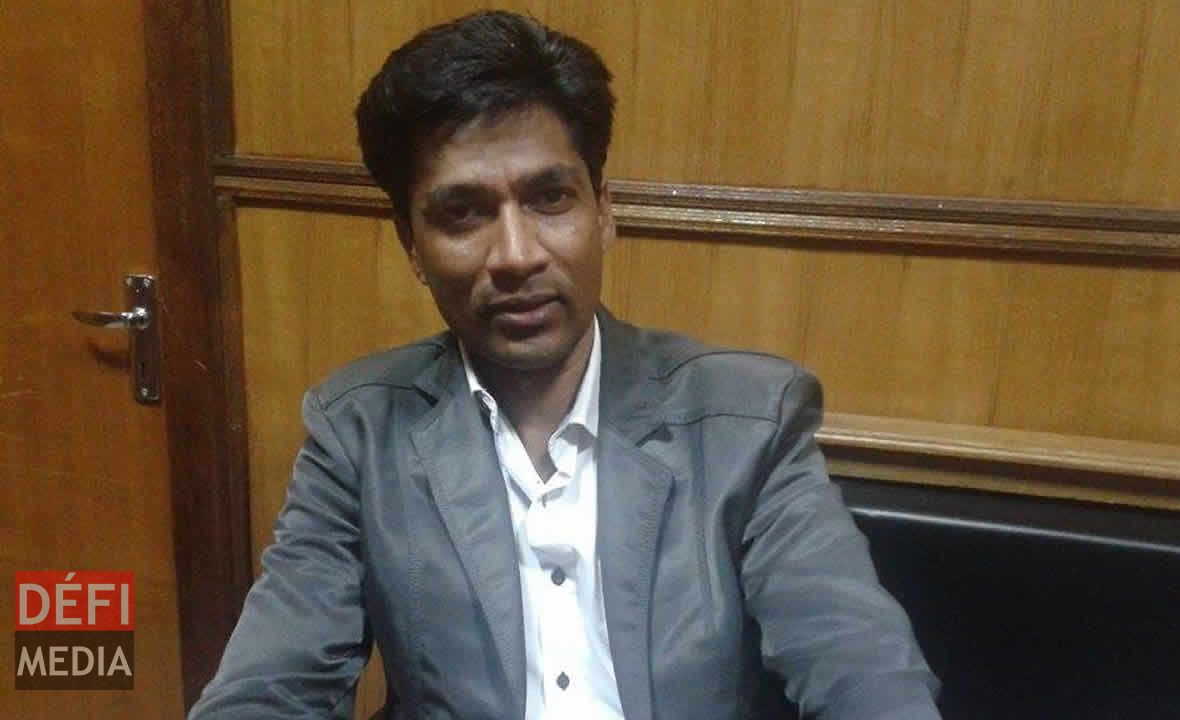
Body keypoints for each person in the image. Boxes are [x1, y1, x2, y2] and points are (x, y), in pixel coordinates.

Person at [190, 10, 939, 720]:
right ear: (411, 245)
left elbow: (859, 661)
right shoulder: (358, 432)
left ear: (603, 211)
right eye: (463, 213)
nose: (517, 255)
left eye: (550, 198)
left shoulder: (747, 421)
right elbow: (271, 681)